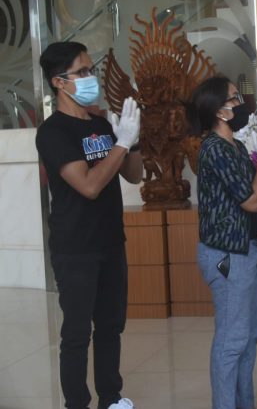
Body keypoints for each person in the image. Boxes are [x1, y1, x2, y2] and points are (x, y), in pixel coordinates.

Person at [36, 41, 142, 409]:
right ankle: (77, 404)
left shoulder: (100, 123)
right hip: (75, 248)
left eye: (90, 70)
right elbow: (89, 186)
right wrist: (121, 144)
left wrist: (133, 141)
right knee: (77, 334)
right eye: (81, 72)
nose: (90, 78)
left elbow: (133, 175)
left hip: (110, 241)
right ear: (59, 82)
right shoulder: (53, 132)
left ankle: (111, 398)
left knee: (111, 327)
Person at [188, 76, 257, 409]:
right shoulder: (214, 149)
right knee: (232, 340)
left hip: (248, 248)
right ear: (220, 111)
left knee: (251, 335)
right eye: (235, 98)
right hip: (227, 255)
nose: (242, 102)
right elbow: (252, 201)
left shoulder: (235, 147)